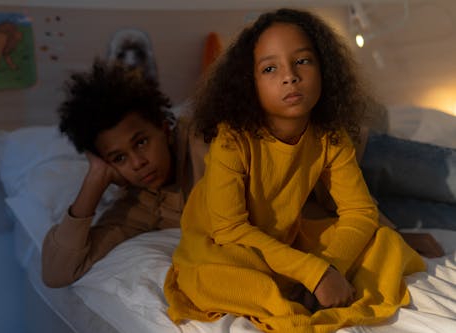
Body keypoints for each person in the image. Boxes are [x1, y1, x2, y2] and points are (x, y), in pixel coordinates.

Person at [163, 8, 426, 333]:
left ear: (324, 68)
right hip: (226, 246)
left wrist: (329, 267)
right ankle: (296, 301)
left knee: (384, 241)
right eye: (270, 68)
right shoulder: (232, 139)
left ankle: (311, 288)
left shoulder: (330, 134)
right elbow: (230, 230)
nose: (290, 76)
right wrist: (313, 272)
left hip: (286, 242)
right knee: (218, 277)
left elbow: (359, 212)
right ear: (249, 83)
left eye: (302, 61)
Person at [41, 59, 208, 288]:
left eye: (141, 142)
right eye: (119, 158)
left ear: (163, 127)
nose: (138, 163)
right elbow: (56, 273)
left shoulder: (205, 141)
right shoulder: (137, 207)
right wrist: (95, 179)